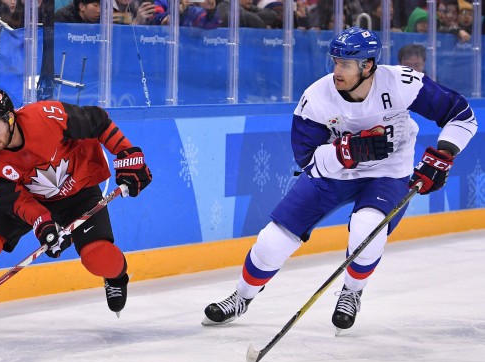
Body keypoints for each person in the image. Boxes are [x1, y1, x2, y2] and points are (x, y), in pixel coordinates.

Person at [202, 27, 477, 333]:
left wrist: (444, 154)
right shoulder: (317, 97)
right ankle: (242, 297)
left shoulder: (401, 82)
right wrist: (347, 152)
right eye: (335, 62)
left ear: (368, 65)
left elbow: (462, 116)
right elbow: (306, 160)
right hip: (333, 175)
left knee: (367, 229)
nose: (337, 71)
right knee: (272, 240)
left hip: (387, 173)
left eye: (346, 64)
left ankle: (351, 291)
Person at [0, 88, 152, 330]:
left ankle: (116, 277)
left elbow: (96, 121)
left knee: (99, 258)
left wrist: (127, 153)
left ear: (10, 118)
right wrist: (42, 222)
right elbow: (14, 200)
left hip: (79, 193)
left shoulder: (46, 116)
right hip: (29, 199)